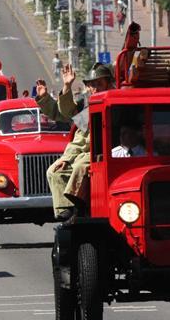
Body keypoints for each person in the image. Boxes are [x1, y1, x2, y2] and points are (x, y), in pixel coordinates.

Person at [37, 63, 115, 221]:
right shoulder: (88, 107)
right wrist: (65, 86)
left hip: (105, 153)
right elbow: (66, 115)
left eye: (100, 84)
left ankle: (78, 208)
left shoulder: (116, 103)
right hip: (84, 153)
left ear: (109, 84)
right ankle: (65, 211)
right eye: (92, 85)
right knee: (54, 170)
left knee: (80, 167)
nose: (96, 88)